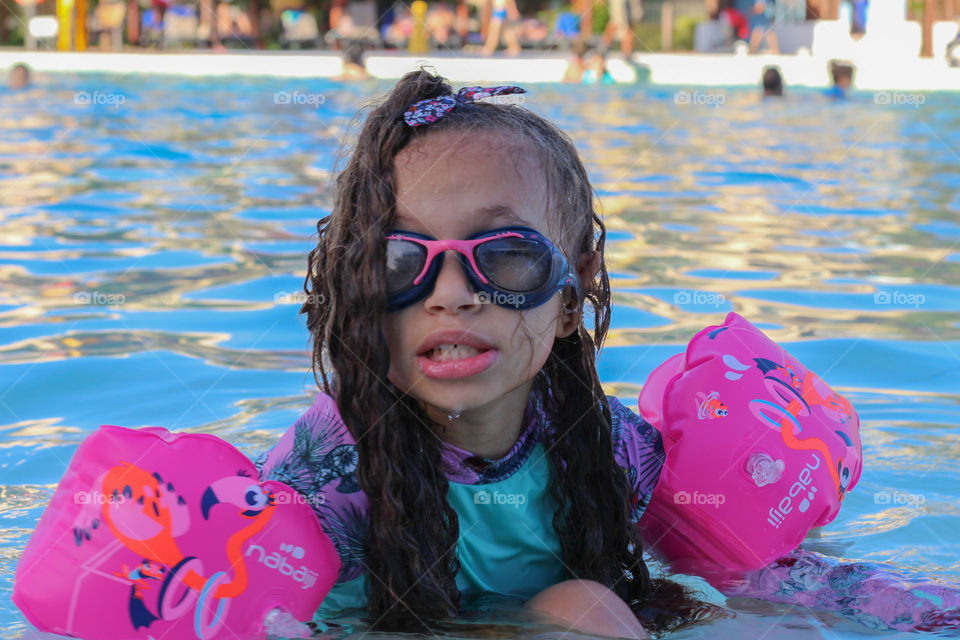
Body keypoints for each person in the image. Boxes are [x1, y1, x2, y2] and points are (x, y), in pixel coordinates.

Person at [256, 69, 960, 635]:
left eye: (505, 257)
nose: (451, 295)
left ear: (572, 292)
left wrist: (934, 611)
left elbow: (776, 578)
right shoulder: (331, 469)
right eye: (398, 259)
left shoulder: (606, 448)